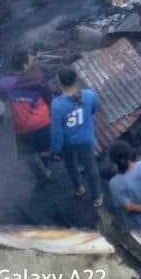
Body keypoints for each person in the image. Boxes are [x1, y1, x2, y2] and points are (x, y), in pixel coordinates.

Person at [0, 51, 53, 184]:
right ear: (26, 65)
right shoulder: (38, 79)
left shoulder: (3, 84)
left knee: (27, 153)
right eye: (30, 60)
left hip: (22, 127)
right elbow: (50, 100)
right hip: (42, 123)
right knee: (44, 149)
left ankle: (40, 175)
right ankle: (46, 169)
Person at [50, 66, 103, 207]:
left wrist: (55, 151)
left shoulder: (56, 104)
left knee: (71, 164)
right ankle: (97, 197)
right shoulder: (89, 95)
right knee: (91, 167)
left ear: (60, 83)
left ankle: (79, 187)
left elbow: (56, 131)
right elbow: (93, 111)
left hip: (68, 143)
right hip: (86, 140)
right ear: (76, 80)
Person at [108, 141, 141, 232]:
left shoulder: (114, 183)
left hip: (137, 230)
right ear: (129, 154)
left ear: (112, 161)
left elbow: (129, 207)